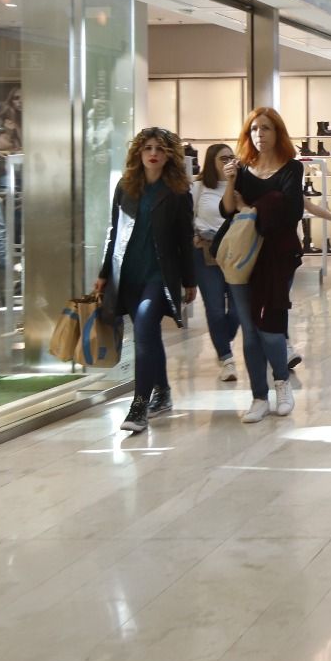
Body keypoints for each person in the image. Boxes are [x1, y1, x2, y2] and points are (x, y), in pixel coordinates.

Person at [98, 127, 196, 434]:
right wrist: (103, 274)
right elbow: (114, 233)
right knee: (149, 335)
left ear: (169, 156)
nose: (153, 153)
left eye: (160, 149)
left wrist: (190, 281)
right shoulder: (125, 187)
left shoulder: (178, 193)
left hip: (160, 275)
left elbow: (184, 240)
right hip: (128, 274)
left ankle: (139, 405)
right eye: (148, 148)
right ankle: (163, 391)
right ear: (139, 152)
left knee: (143, 328)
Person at [221, 107, 304, 423]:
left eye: (266, 128)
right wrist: (231, 185)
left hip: (277, 257)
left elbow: (292, 211)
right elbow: (228, 210)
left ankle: (282, 384)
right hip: (243, 258)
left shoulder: (291, 169)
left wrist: (252, 207)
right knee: (250, 331)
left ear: (277, 132)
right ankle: (258, 396)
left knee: (272, 326)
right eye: (254, 129)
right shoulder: (241, 169)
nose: (259, 134)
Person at [191, 142, 240, 382]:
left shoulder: (240, 185)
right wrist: (193, 236)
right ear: (211, 161)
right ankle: (226, 357)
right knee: (214, 307)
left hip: (235, 252)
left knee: (238, 308)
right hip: (206, 252)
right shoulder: (199, 187)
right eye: (223, 158)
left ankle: (223, 337)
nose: (228, 161)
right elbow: (187, 215)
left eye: (231, 157)